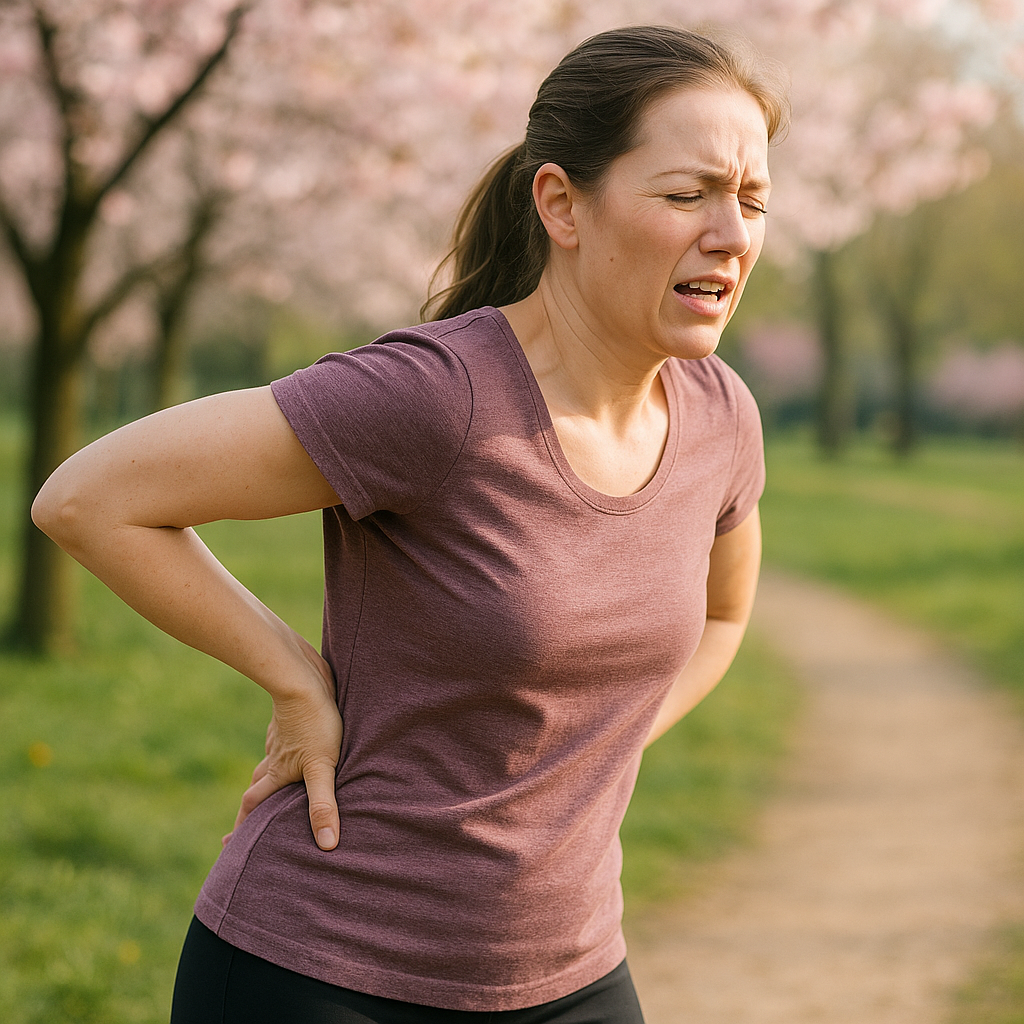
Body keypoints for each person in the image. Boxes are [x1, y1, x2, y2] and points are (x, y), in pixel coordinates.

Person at [32, 24, 789, 1024]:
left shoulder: (721, 416)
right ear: (561, 204)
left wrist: (597, 741)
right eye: (689, 194)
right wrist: (293, 676)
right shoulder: (436, 397)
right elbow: (90, 497)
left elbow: (724, 615)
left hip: (571, 975)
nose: (732, 233)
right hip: (321, 968)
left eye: (752, 200)